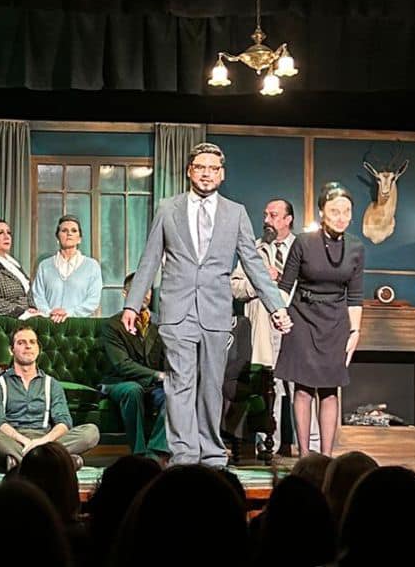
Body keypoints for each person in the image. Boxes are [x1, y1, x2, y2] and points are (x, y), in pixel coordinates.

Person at [123, 142, 291, 468]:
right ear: (190, 171)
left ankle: (212, 455)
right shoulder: (168, 208)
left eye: (213, 169)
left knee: (212, 387)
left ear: (222, 174)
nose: (206, 174)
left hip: (215, 311)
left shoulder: (235, 212)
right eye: (200, 167)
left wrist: (276, 306)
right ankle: (184, 456)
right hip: (177, 310)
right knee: (179, 384)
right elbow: (150, 259)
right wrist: (132, 305)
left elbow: (253, 265)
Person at [275, 182, 364, 457]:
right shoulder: (303, 242)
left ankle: (326, 457)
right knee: (303, 388)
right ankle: (304, 455)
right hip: (302, 315)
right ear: (322, 212)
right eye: (335, 211)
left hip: (335, 321)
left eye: (346, 211)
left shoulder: (356, 248)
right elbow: (285, 286)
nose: (341, 217)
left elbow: (355, 296)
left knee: (329, 389)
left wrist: (355, 332)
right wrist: (278, 313)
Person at [231, 197, 317, 457]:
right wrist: (258, 282)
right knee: (267, 386)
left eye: (273, 215)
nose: (267, 220)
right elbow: (234, 287)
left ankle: (311, 449)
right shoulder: (253, 249)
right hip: (264, 328)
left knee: (302, 385)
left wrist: (284, 279)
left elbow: (314, 285)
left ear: (288, 219)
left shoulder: (305, 248)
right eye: (266, 215)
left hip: (296, 325)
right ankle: (268, 445)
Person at [0, 326, 99, 472]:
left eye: (32, 342)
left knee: (91, 432)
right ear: (11, 350)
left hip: (45, 439)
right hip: (12, 441)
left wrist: (42, 443)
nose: (28, 346)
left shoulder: (52, 384)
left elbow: (64, 421)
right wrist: (26, 442)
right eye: (21, 342)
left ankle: (20, 463)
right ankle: (52, 462)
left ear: (38, 349)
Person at [101, 272, 169, 463]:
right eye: (138, 289)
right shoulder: (112, 325)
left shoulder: (161, 323)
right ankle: (139, 453)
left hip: (153, 385)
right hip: (121, 382)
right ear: (125, 293)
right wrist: (157, 375)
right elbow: (122, 365)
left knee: (174, 392)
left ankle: (155, 452)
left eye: (147, 290)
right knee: (133, 390)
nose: (144, 295)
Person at [31, 214, 102, 321]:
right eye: (64, 230)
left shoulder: (92, 266)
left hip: (78, 326)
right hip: (49, 323)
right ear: (57, 237)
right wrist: (50, 313)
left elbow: (93, 300)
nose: (69, 233)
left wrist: (68, 313)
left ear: (79, 239)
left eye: (74, 231)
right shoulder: (44, 266)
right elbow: (38, 296)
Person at [0, 217, 43, 318]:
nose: (7, 237)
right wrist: (22, 312)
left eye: (8, 233)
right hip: (5, 320)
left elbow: (27, 292)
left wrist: (32, 308)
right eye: (0, 233)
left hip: (27, 316)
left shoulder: (13, 264)